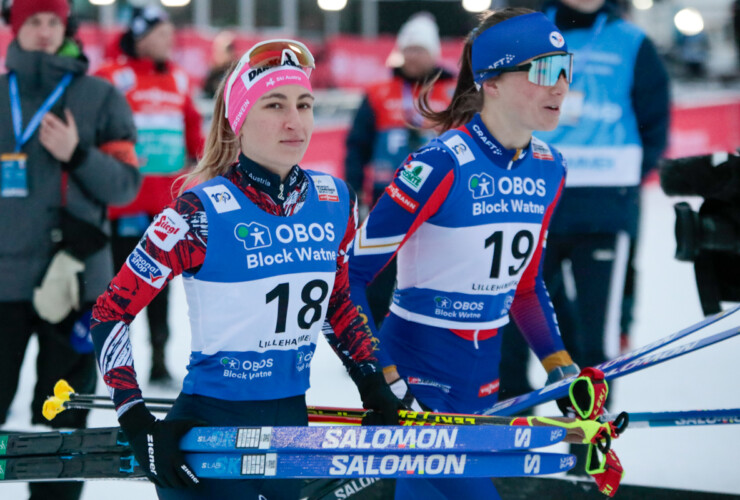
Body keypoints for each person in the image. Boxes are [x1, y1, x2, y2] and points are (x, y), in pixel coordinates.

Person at [90, 39, 405, 500]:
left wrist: (371, 382)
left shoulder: (335, 201)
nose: (294, 121)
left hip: (289, 435)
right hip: (206, 440)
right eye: (274, 105)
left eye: (304, 104)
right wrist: (136, 420)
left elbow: (336, 304)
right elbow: (108, 314)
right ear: (239, 121)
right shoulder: (197, 214)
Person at [348, 8, 579, 499]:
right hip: (417, 378)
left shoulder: (550, 168)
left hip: (481, 383)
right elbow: (348, 277)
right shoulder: (441, 163)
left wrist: (559, 363)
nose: (559, 86)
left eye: (565, 68)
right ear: (491, 81)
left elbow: (525, 286)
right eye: (542, 70)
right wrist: (383, 374)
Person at [0, 0, 141, 499]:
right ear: (14, 29)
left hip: (78, 286)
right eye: (32, 21)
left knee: (63, 419)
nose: (42, 31)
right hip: (4, 287)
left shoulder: (100, 97)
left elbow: (126, 185)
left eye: (52, 21)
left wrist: (77, 155)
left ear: (66, 27)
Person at [498, 0, 670, 399]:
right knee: (515, 322)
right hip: (533, 195)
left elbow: (654, 118)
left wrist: (627, 174)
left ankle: (588, 446)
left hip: (604, 202)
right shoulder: (531, 32)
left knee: (598, 331)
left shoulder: (631, 41)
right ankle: (513, 437)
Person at [95, 5, 205, 384]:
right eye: (161, 33)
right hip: (122, 205)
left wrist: (209, 165)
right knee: (116, 289)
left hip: (165, 207)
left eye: (171, 33)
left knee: (159, 289)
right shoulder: (112, 76)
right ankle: (110, 365)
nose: (169, 40)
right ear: (140, 36)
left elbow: (192, 130)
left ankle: (158, 359)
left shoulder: (178, 78)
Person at [344, 12, 456, 328]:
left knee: (434, 272)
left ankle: (429, 337)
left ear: (433, 53)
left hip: (440, 199)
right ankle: (373, 343)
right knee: (379, 273)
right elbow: (357, 147)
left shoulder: (453, 93)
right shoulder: (378, 92)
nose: (413, 56)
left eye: (420, 49)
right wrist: (354, 192)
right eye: (408, 49)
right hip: (387, 195)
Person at [202, 30, 237, 98]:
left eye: (219, 51)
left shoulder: (235, 72)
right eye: (215, 50)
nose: (216, 54)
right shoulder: (213, 72)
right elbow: (205, 92)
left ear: (230, 53)